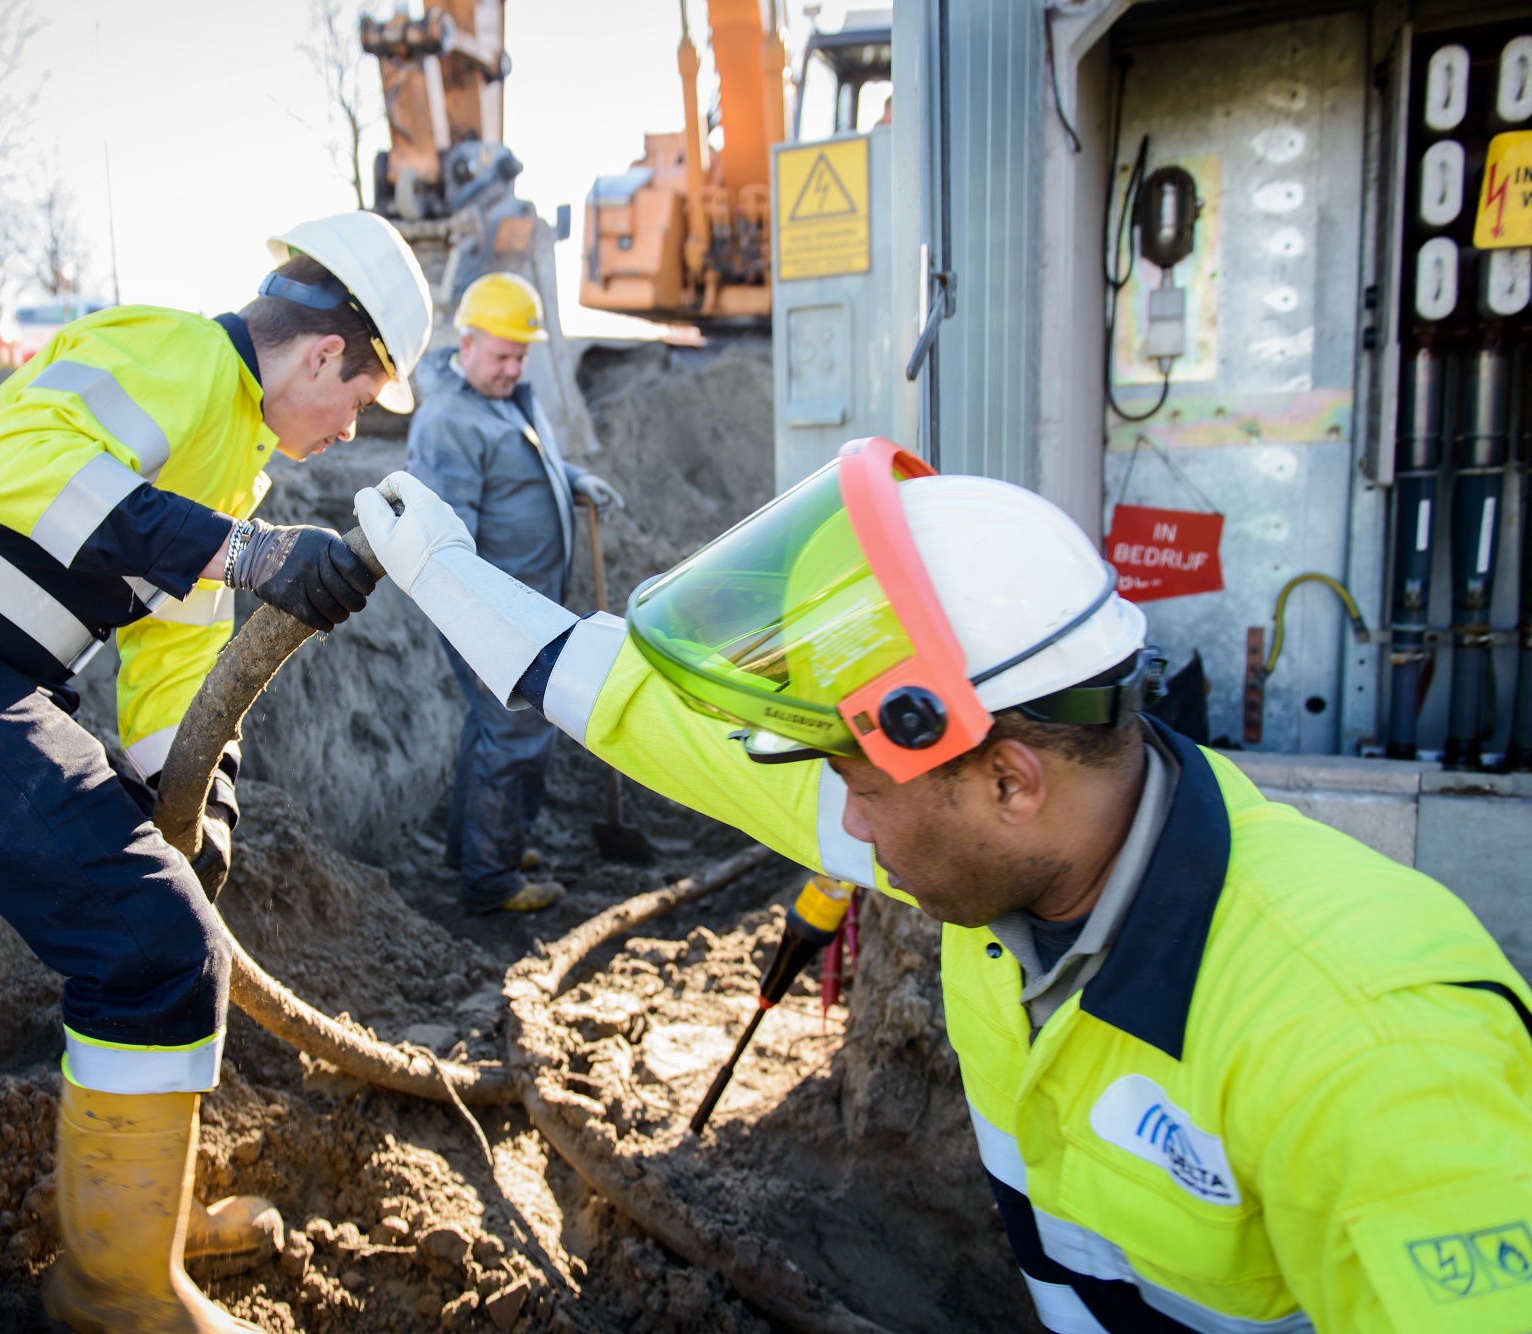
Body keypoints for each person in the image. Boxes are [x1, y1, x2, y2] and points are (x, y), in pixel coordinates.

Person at [355, 442, 1532, 1334]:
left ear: (1008, 777)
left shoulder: (1366, 1040)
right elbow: (655, 718)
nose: (840, 827)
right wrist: (451, 576)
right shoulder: (1006, 838)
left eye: (856, 784)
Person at [0, 211, 432, 1334]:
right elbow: (22, 464)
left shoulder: (231, 464)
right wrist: (258, 558)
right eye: (361, 401)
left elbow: (173, 666)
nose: (347, 429)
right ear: (325, 354)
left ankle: (137, 1225)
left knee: (159, 921)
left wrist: (199, 807)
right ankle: (114, 1291)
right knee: (149, 947)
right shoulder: (175, 353)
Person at [402, 270, 624, 914]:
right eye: (502, 355)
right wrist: (484, 622)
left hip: (524, 604)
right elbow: (445, 544)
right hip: (489, 615)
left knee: (492, 727)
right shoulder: (447, 422)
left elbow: (523, 466)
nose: (513, 367)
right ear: (465, 343)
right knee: (517, 731)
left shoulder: (505, 397)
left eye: (521, 355)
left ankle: (474, 846)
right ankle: (490, 880)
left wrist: (573, 478)